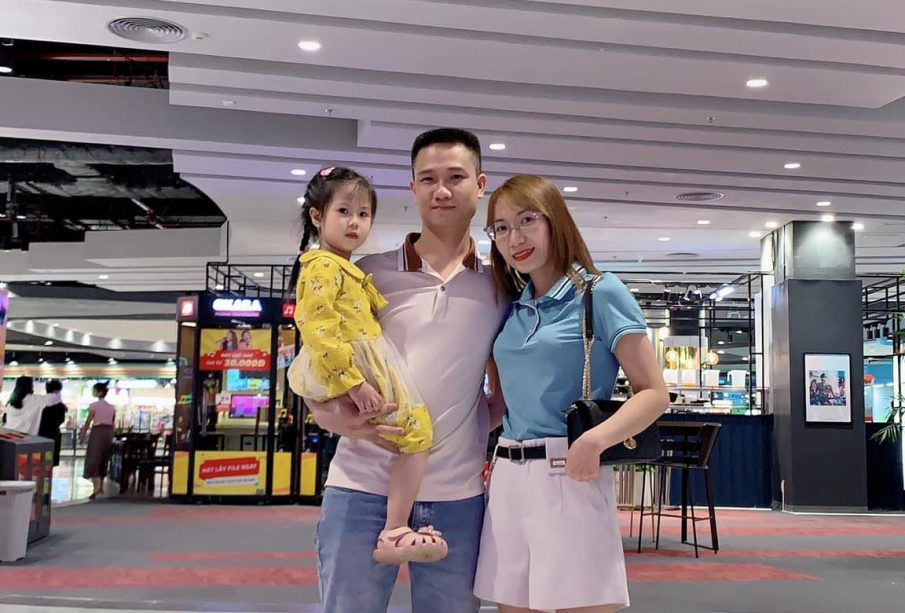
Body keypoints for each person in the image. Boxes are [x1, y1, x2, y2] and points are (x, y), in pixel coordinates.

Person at [305, 128, 509, 612]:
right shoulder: (367, 274)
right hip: (361, 487)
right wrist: (330, 416)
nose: (442, 191)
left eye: (456, 177)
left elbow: (504, 385)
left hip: (456, 496)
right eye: (428, 179)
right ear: (413, 188)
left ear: (480, 185)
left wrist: (470, 425)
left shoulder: (499, 287)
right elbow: (315, 364)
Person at [473, 174, 670, 612]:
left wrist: (596, 440)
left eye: (527, 220)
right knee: (513, 605)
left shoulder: (599, 292)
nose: (514, 238)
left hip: (569, 468)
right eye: (501, 227)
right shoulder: (513, 305)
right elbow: (503, 400)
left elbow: (654, 393)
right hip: (507, 475)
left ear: (554, 221)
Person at [288, 165, 446, 564]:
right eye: (343, 211)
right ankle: (395, 528)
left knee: (408, 432)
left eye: (363, 214)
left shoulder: (344, 266)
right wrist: (353, 383)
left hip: (356, 359)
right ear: (317, 216)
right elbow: (319, 328)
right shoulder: (323, 266)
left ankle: (396, 526)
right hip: (351, 362)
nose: (354, 222)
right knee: (416, 432)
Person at [79, 381, 116, 500]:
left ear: (99, 392)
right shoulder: (111, 407)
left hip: (98, 432)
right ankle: (100, 486)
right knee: (104, 457)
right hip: (108, 433)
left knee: (94, 457)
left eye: (94, 390)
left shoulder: (94, 405)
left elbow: (88, 421)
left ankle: (97, 487)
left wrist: (83, 434)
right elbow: (113, 423)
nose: (93, 392)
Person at [38, 380, 68, 466]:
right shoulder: (60, 405)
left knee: (42, 457)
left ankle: (42, 472)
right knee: (50, 458)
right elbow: (61, 420)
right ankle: (48, 472)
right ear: (56, 390)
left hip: (40, 434)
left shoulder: (40, 402)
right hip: (53, 434)